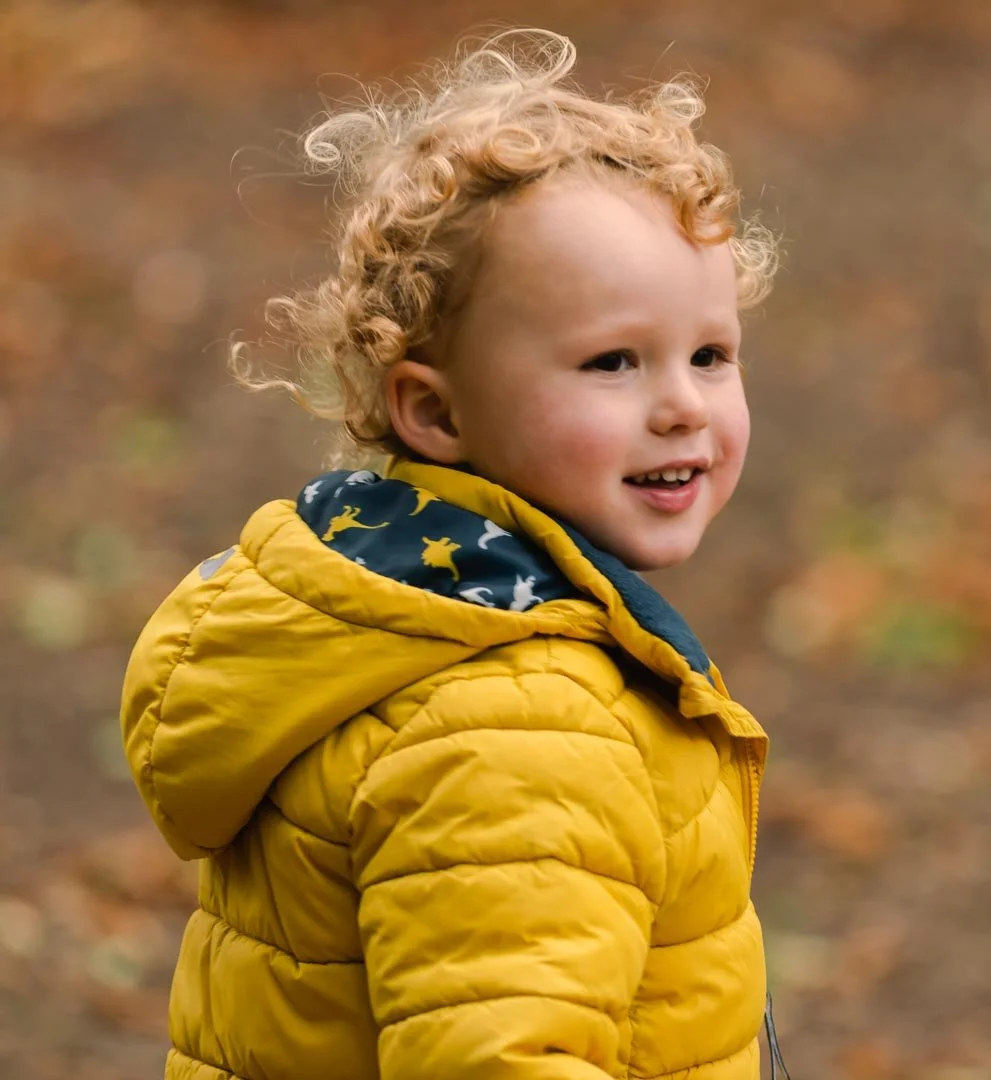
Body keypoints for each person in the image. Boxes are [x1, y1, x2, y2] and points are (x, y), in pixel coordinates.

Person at [120, 27, 784, 1080]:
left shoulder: (395, 602)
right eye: (613, 361)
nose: (683, 408)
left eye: (710, 354)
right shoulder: (518, 719)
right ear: (433, 411)